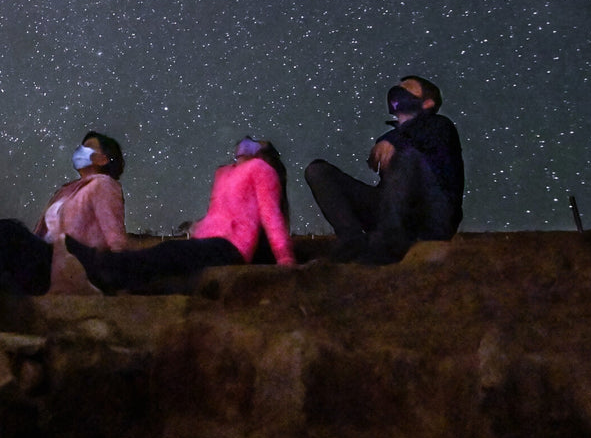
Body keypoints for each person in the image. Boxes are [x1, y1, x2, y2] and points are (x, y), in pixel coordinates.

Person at [0, 131, 126, 322]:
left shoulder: (104, 185)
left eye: (88, 147)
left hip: (72, 263)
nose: (79, 150)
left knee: (4, 230)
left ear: (103, 159)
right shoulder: (67, 191)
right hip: (49, 263)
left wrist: (116, 276)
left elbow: (114, 234)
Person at [66, 137, 294, 293]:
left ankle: (104, 269)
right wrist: (199, 227)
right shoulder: (227, 174)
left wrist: (285, 257)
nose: (247, 144)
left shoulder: (262, 170)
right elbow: (221, 213)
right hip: (211, 240)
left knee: (169, 252)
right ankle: (104, 269)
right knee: (168, 255)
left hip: (231, 246)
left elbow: (270, 214)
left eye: (256, 145)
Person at [305, 75, 464, 265]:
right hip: (391, 211)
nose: (399, 89)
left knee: (408, 157)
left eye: (408, 87)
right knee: (318, 172)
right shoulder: (390, 138)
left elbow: (421, 135)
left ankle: (388, 245)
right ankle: (352, 240)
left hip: (431, 215)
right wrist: (392, 139)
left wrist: (394, 141)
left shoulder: (441, 126)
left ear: (428, 102)